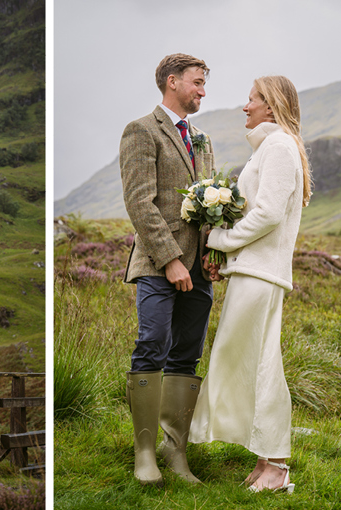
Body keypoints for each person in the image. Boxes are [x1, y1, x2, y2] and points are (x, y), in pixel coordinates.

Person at [189, 75, 313, 493]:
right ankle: (266, 460)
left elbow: (268, 215)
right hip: (254, 270)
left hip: (262, 274)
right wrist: (225, 255)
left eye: (252, 99)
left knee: (261, 363)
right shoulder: (271, 148)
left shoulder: (278, 148)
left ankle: (277, 466)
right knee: (247, 360)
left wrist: (220, 240)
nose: (245, 107)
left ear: (272, 105)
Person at [120, 53, 216, 486]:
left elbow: (209, 202)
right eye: (196, 82)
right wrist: (171, 259)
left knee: (187, 353)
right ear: (171, 81)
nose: (201, 90)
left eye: (203, 83)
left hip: (201, 268)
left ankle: (174, 451)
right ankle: (144, 454)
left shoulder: (204, 139)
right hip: (159, 264)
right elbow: (140, 201)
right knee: (152, 343)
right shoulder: (141, 131)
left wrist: (212, 254)